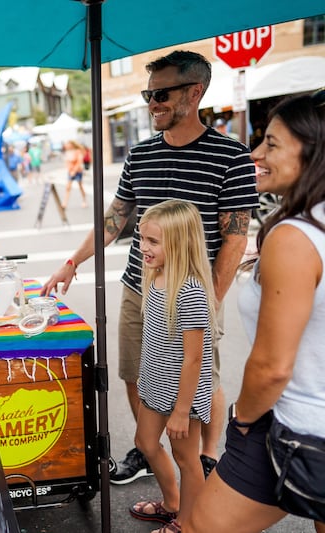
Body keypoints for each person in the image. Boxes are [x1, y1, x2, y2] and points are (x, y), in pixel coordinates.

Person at [41, 50, 257, 485]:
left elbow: (234, 239)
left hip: (192, 295)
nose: (152, 102)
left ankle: (204, 459)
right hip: (139, 289)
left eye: (161, 93)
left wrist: (211, 301)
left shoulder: (232, 158)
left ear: (195, 92)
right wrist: (71, 262)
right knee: (134, 375)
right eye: (148, 93)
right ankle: (151, 448)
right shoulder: (140, 156)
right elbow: (114, 220)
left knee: (198, 381)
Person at [187, 90, 325, 533]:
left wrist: (242, 419)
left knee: (200, 526)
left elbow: (270, 367)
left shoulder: (295, 236)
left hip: (300, 428)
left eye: (272, 143)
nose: (256, 153)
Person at [129, 200, 215, 533]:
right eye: (142, 239)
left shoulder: (189, 291)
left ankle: (191, 524)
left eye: (152, 241)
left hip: (183, 395)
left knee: (186, 459)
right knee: (146, 443)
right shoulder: (154, 276)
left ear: (178, 243)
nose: (143, 247)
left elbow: (194, 358)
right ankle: (172, 503)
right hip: (155, 386)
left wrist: (181, 410)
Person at [62, 139, 87, 208]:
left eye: (68, 144)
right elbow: (67, 162)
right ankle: (65, 203)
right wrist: (70, 170)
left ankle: (84, 200)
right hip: (70, 172)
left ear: (72, 145)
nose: (67, 146)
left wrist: (74, 171)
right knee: (68, 187)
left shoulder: (78, 151)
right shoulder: (67, 152)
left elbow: (79, 162)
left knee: (80, 186)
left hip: (78, 171)